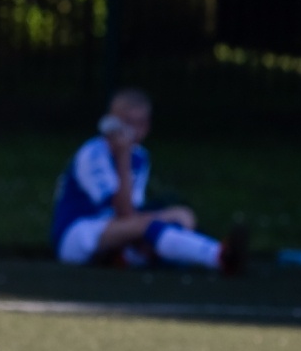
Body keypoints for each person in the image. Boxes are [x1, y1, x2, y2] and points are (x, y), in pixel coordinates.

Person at [51, 88, 247, 274]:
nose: (134, 131)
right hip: (77, 235)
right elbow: (125, 212)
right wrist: (124, 156)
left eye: (140, 123)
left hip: (114, 230)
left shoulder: (140, 156)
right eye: (127, 123)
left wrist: (169, 216)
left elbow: (131, 213)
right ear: (110, 122)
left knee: (175, 219)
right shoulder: (94, 153)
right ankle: (219, 256)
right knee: (147, 226)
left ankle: (124, 257)